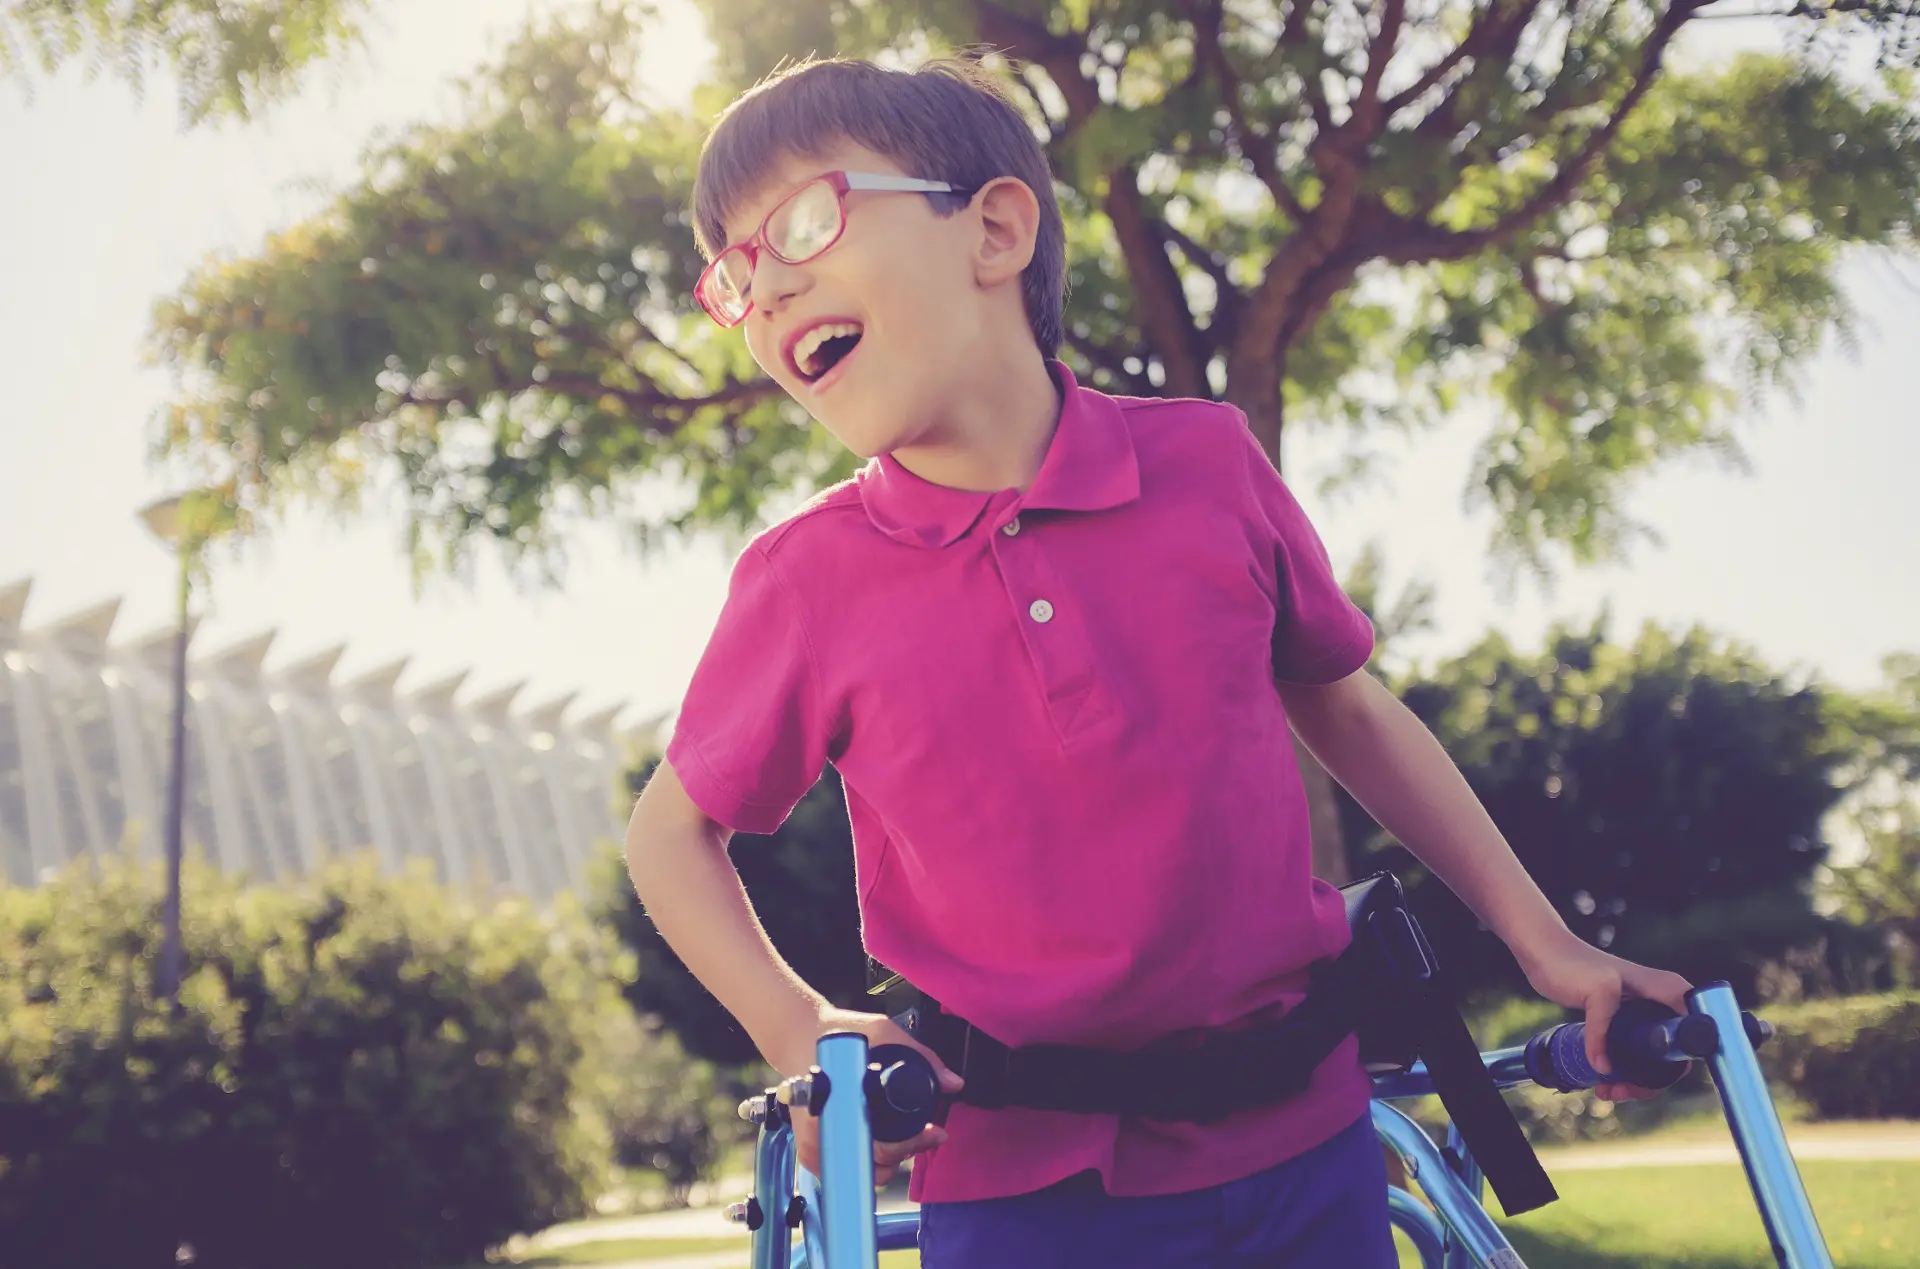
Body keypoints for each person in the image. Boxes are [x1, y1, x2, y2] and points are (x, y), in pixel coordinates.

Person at [624, 54, 1692, 1268]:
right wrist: (803, 1025)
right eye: (736, 272)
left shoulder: (1207, 465)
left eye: (804, 221)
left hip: (1305, 1129)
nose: (763, 290)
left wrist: (1545, 942)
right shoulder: (806, 580)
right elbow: (669, 835)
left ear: (995, 230)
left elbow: (1348, 711)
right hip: (1020, 1174)